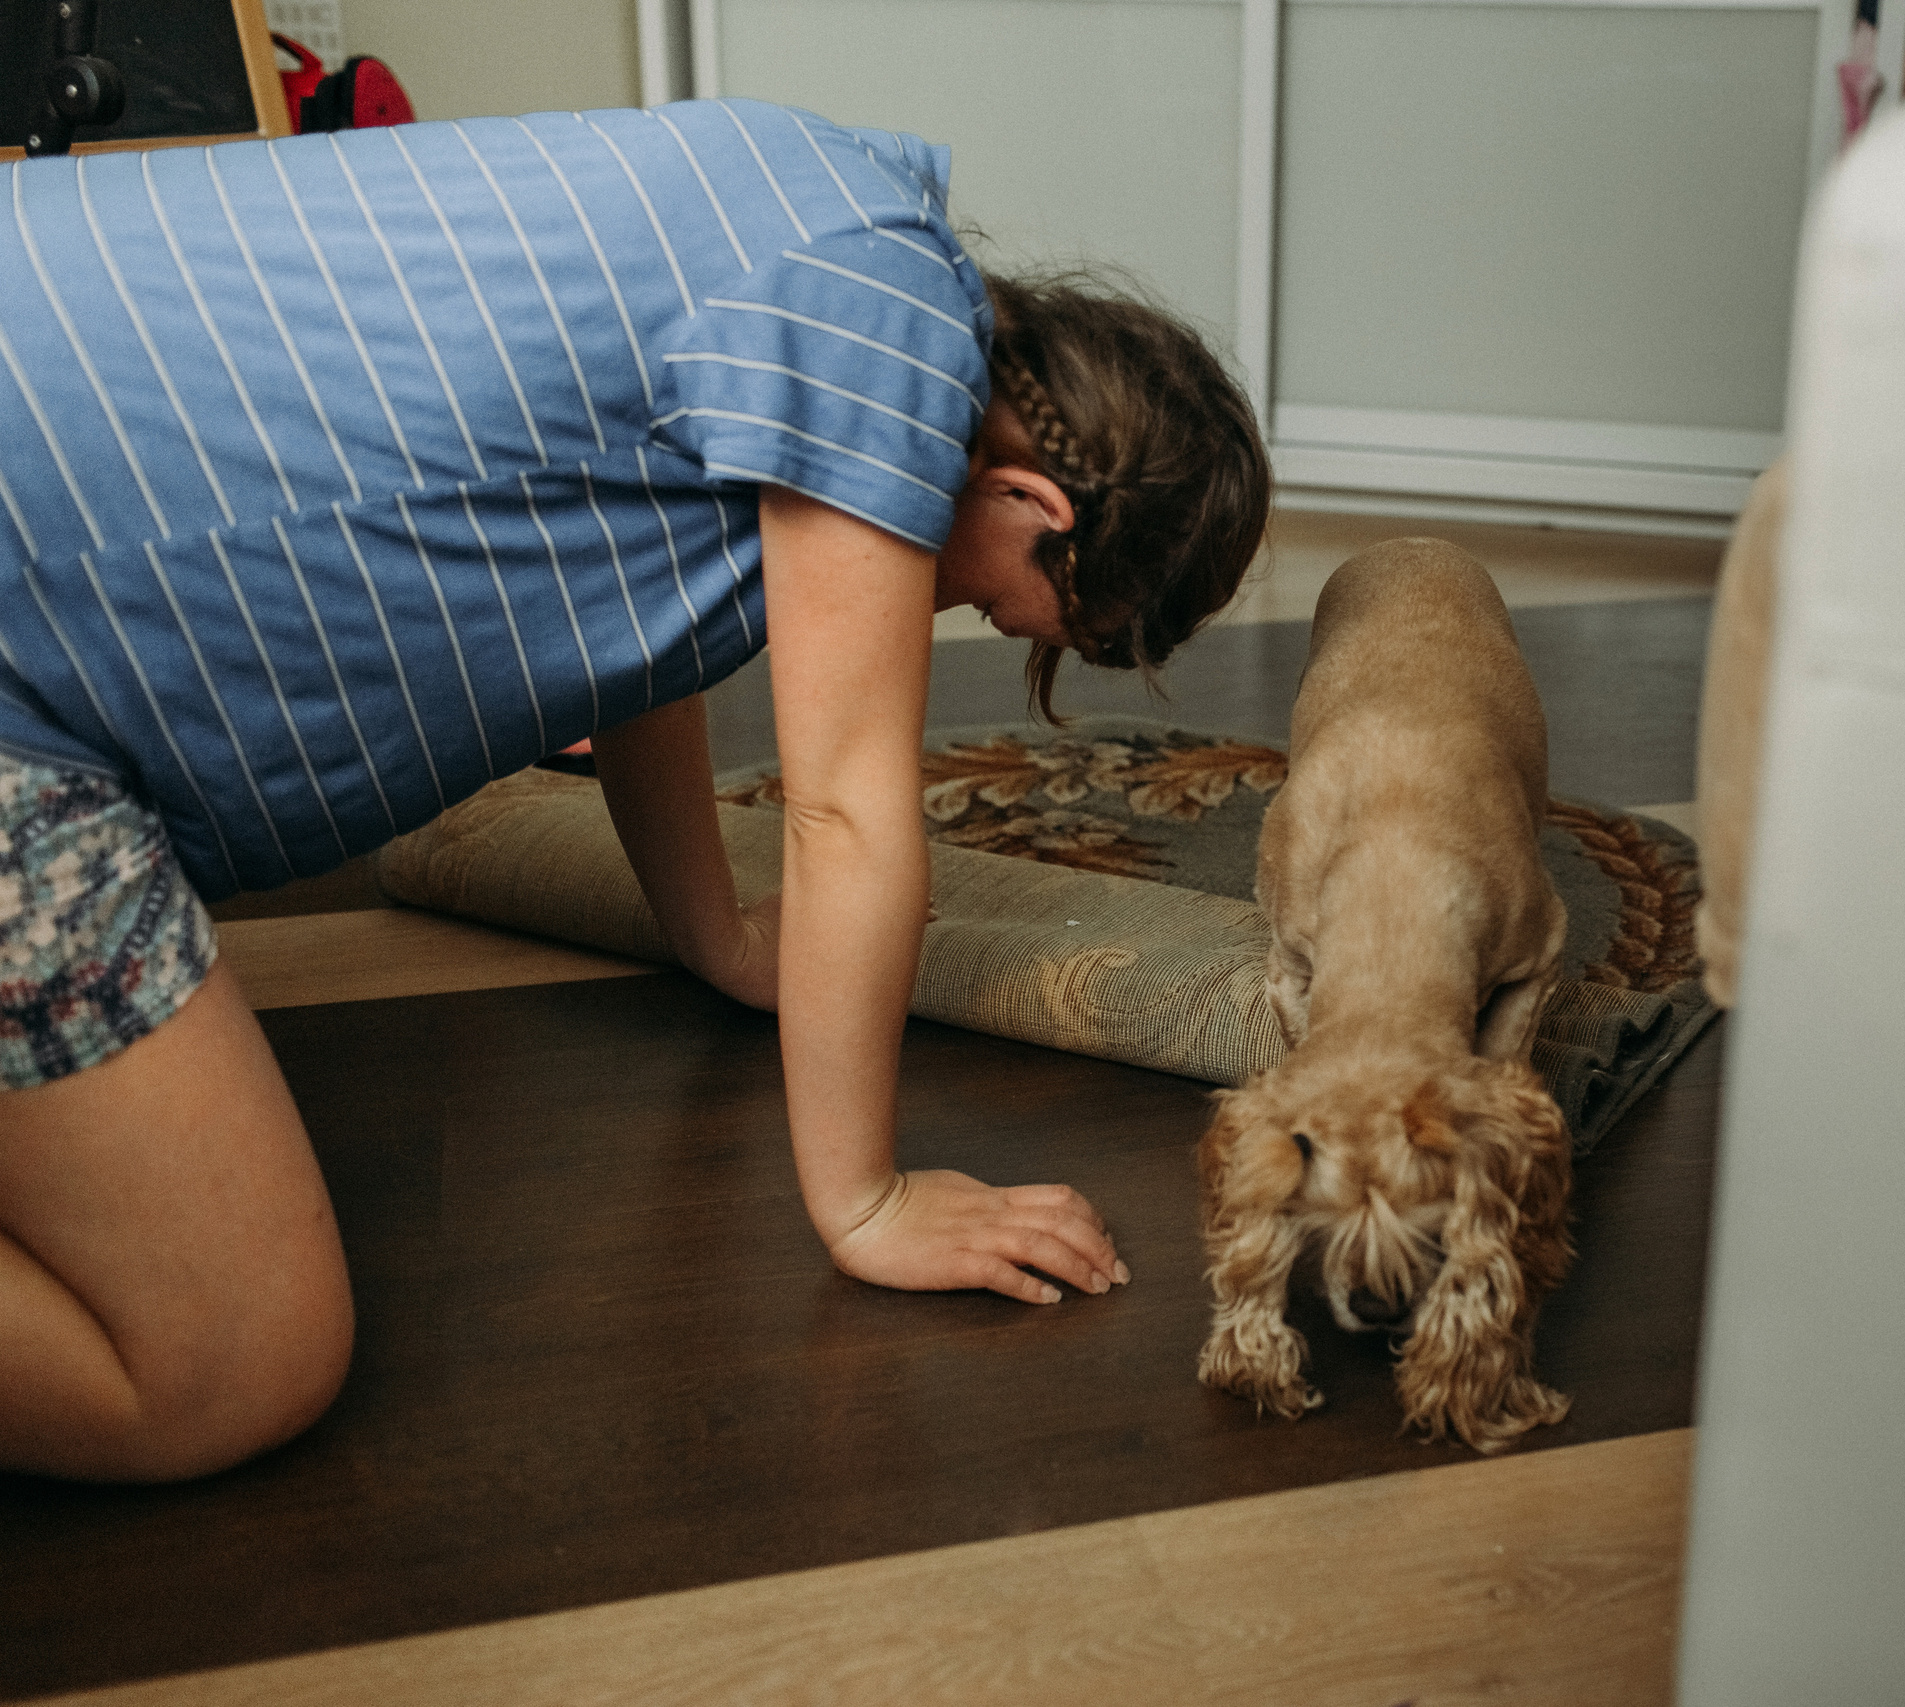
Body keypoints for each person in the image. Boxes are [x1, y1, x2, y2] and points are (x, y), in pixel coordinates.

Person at [0, 97, 1272, 1481]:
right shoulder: (892, 341)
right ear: (1036, 503)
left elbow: (632, 629)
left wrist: (716, 932)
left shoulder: (838, 245)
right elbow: (848, 807)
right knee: (234, 1360)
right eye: (1016, 614)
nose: (963, 612)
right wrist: (866, 1198)